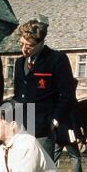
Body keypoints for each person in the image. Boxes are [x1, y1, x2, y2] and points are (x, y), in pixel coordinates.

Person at [13, 20, 74, 160]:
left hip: (43, 127)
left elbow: (67, 94)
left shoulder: (57, 59)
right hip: (21, 126)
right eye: (21, 44)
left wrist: (55, 121)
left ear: (41, 43)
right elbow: (18, 94)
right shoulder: (19, 62)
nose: (24, 50)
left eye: (29, 46)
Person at [53, 78, 87, 172]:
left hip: (58, 132)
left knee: (52, 158)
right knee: (75, 157)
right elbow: (74, 119)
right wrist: (78, 134)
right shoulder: (71, 100)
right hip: (69, 134)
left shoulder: (57, 98)